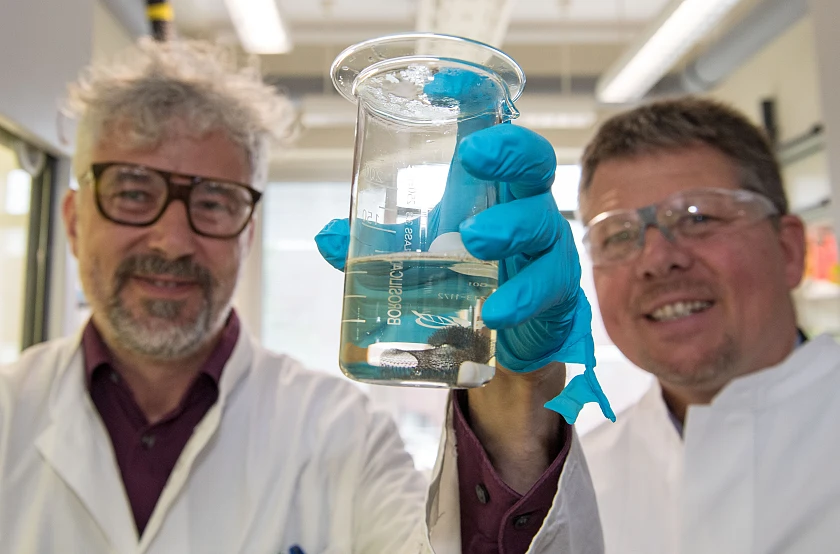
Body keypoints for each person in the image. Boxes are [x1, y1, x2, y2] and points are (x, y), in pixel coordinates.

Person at [0, 38, 610, 553]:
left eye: (213, 201)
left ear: (249, 231)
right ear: (75, 220)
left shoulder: (343, 433)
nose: (173, 238)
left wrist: (516, 411)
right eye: (133, 193)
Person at [576, 97, 840, 554]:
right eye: (618, 235)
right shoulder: (578, 488)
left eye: (698, 217)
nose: (657, 260)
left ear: (789, 249)